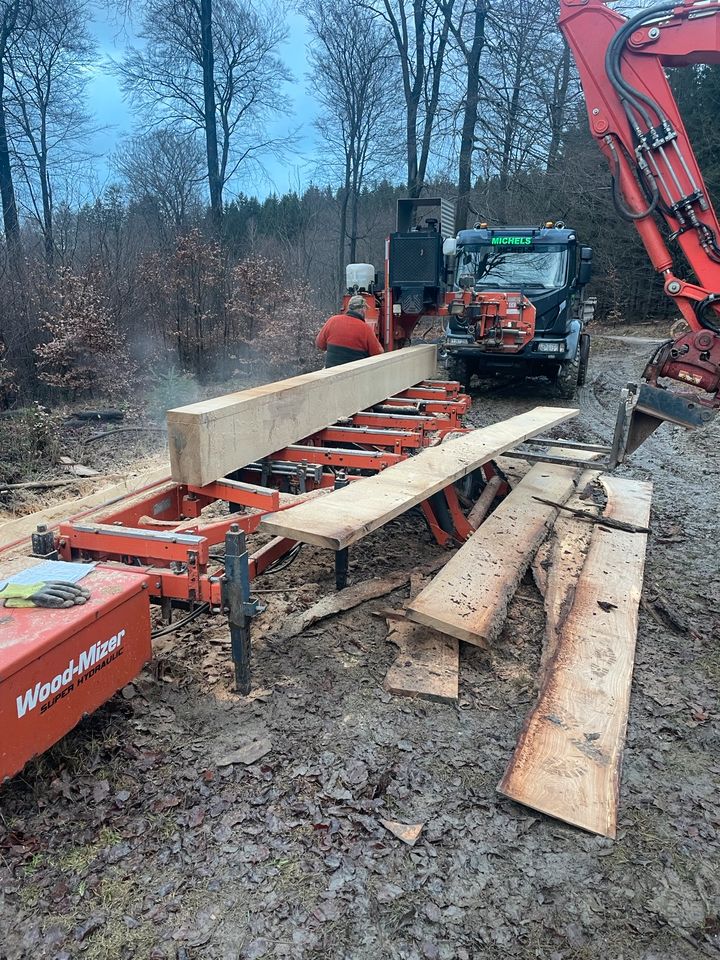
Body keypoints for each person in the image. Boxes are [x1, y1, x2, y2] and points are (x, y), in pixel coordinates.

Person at [315, 295, 384, 367]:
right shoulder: (366, 329)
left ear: (349, 308)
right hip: (354, 375)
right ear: (363, 309)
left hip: (331, 373)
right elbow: (378, 354)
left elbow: (319, 344)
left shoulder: (332, 321)